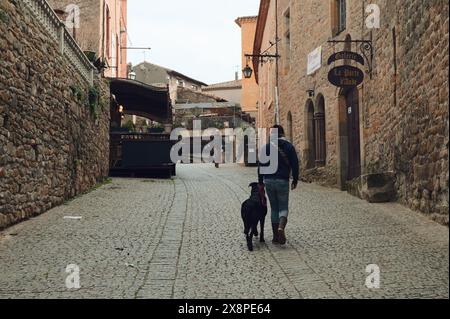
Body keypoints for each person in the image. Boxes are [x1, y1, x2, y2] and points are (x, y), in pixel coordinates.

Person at [258, 125, 299, 245]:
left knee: (274, 208)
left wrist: (260, 182)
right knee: (283, 207)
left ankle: (276, 237)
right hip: (282, 180)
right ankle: (281, 227)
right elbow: (295, 164)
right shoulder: (289, 146)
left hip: (269, 181)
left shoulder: (266, 148)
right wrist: (295, 179)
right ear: (283, 133)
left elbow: (261, 166)